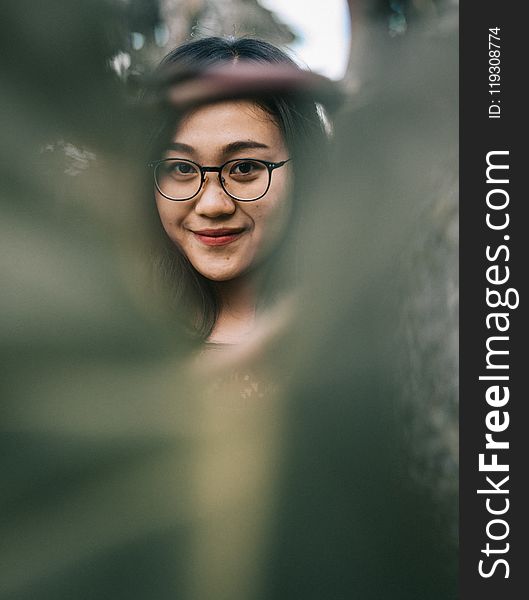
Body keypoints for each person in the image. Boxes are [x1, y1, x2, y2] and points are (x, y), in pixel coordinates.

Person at [147, 37, 328, 347]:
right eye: (182, 168)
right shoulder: (104, 336)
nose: (213, 205)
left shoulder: (360, 332)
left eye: (244, 168)